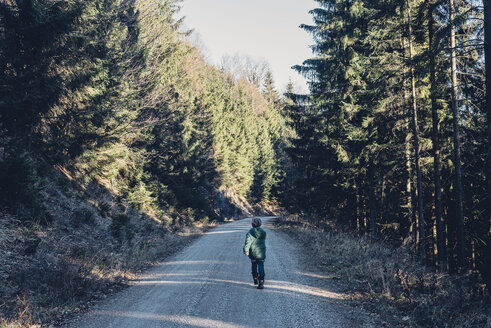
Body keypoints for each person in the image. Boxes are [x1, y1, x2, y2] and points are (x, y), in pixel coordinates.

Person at [243, 218, 267, 289]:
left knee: (254, 266)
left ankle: (255, 278)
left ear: (252, 224)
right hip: (261, 253)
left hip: (253, 253)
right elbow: (265, 238)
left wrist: (246, 250)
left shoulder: (250, 232)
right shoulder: (263, 232)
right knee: (261, 266)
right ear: (260, 224)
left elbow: (247, 242)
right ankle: (261, 281)